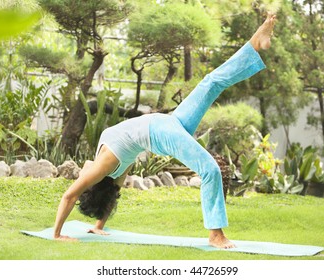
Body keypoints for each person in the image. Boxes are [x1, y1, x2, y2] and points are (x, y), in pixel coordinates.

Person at [53, 13, 276, 249]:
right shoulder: (105, 166)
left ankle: (255, 43)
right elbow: (71, 195)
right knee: (210, 169)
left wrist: (91, 227)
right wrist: (70, 231)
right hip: (160, 131)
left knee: (211, 82)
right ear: (94, 185)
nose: (81, 172)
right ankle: (215, 234)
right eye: (83, 178)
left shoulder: (107, 166)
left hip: (167, 123)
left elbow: (105, 193)